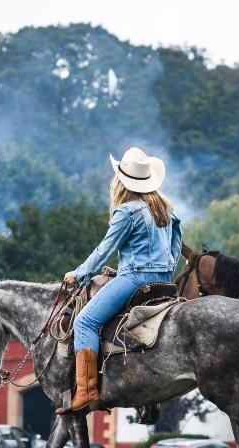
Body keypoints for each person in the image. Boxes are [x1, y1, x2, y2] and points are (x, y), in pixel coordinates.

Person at [56, 147, 182, 414]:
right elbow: (176, 244)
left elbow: (104, 249)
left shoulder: (127, 212)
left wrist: (79, 274)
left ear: (122, 182)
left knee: (85, 321)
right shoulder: (166, 209)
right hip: (164, 281)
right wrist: (167, 268)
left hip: (135, 278)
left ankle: (87, 392)